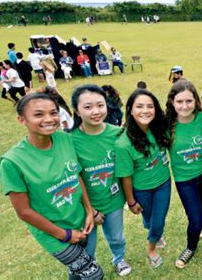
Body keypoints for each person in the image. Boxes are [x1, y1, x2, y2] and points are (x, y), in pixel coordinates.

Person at [0, 93, 103, 279]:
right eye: (38, 114)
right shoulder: (12, 162)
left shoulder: (64, 139)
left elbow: (76, 174)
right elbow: (24, 212)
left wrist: (89, 211)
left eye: (53, 113)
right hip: (53, 233)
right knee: (93, 274)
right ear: (22, 120)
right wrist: (64, 234)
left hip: (82, 222)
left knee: (81, 268)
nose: (49, 119)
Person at [70, 85, 132, 276]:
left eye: (100, 105)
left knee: (116, 236)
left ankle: (119, 259)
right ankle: (90, 265)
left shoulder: (117, 133)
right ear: (76, 110)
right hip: (85, 207)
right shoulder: (69, 140)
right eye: (88, 107)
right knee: (88, 243)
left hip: (113, 200)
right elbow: (73, 179)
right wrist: (91, 210)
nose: (96, 112)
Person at [115, 89, 171, 269]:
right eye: (139, 106)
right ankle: (155, 232)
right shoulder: (123, 144)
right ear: (130, 109)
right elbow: (125, 177)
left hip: (163, 183)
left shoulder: (159, 129)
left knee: (158, 220)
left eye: (150, 106)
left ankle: (151, 248)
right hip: (142, 190)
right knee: (148, 218)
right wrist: (131, 201)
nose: (145, 110)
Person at [165, 80, 202, 268]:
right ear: (172, 102)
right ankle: (191, 247)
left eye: (189, 101)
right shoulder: (166, 124)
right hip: (184, 179)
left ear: (196, 101)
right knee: (195, 219)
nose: (185, 106)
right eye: (180, 101)